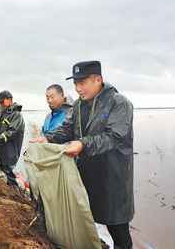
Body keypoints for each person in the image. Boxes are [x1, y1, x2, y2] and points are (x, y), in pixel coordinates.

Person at [31, 61, 134, 249]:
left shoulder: (119, 103)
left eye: (83, 83)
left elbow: (114, 137)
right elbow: (66, 130)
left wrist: (82, 144)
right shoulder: (78, 106)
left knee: (118, 229)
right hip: (85, 176)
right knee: (87, 219)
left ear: (98, 80)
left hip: (113, 178)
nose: (78, 88)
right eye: (75, 83)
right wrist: (48, 139)